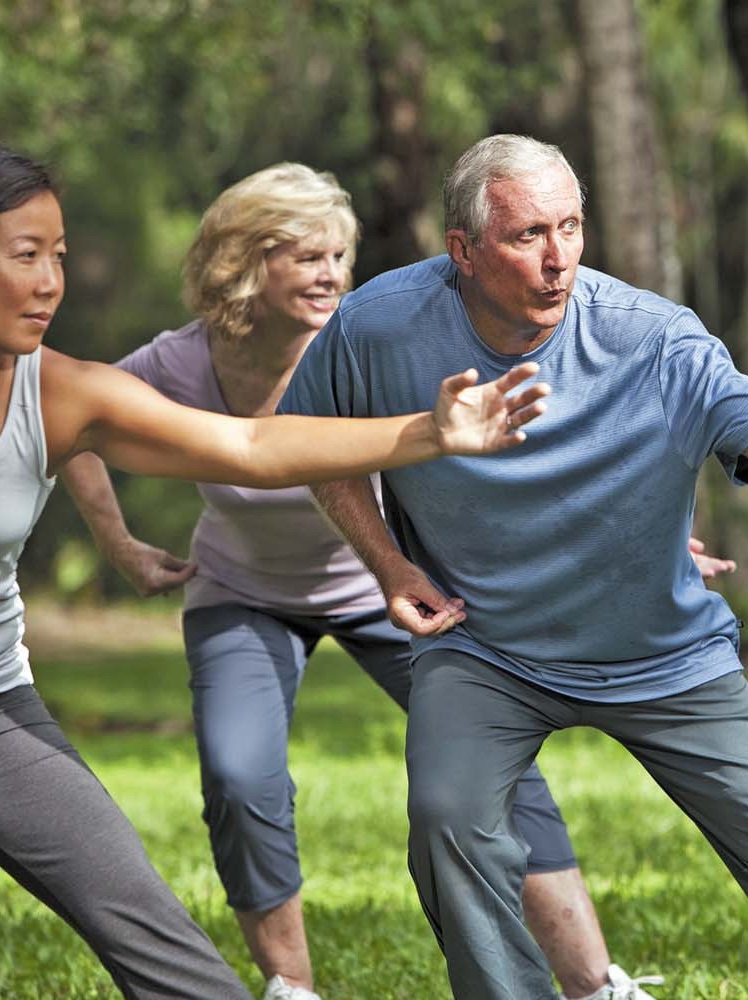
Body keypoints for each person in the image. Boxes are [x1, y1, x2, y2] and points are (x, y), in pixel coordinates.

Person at [277, 133, 748, 1000]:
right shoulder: (380, 324)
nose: (558, 260)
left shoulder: (651, 339)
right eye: (527, 237)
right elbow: (310, 443)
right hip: (487, 647)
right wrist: (388, 563)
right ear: (464, 251)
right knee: (448, 819)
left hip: (660, 653)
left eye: (571, 227)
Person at [0, 138, 548, 1000]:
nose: (52, 282)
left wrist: (429, 431)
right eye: (26, 256)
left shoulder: (61, 394)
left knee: (147, 923)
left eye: (60, 257)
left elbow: (252, 444)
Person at [61, 162, 678, 1000]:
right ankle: (292, 989)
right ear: (244, 263)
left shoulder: (373, 338)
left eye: (340, 255)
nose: (332, 276)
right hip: (243, 591)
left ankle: (596, 984)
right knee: (242, 779)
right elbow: (77, 426)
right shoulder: (181, 360)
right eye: (307, 256)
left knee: (494, 765)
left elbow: (533, 439)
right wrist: (121, 545)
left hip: (391, 584)